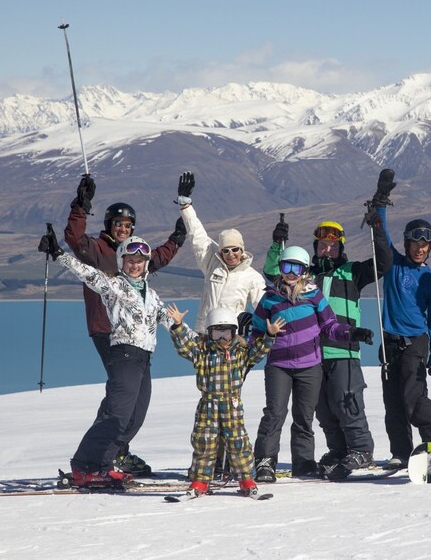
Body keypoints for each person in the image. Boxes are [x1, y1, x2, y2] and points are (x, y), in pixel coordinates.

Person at [262, 171, 395, 479]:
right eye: (321, 244)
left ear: (340, 247)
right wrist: (276, 243)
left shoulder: (353, 272)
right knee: (324, 410)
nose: (326, 249)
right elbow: (272, 274)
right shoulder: (304, 279)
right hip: (313, 355)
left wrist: (377, 224)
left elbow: (384, 261)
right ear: (315, 246)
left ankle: (361, 449)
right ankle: (338, 450)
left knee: (346, 401)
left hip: (344, 350)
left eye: (332, 245)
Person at [63, 174, 184, 476]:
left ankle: (114, 452)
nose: (123, 229)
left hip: (137, 340)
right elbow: (75, 241)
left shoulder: (132, 254)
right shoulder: (97, 250)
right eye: (118, 224)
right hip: (107, 330)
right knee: (121, 399)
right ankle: (99, 458)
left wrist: (177, 239)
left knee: (130, 401)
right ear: (108, 225)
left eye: (128, 226)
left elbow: (154, 259)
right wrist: (81, 205)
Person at [38, 228, 176, 487]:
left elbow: (168, 321)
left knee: (135, 416)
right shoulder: (114, 286)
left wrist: (191, 333)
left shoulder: (151, 295)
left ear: (146, 264)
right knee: (117, 414)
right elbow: (89, 274)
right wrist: (59, 254)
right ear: (123, 261)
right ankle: (85, 466)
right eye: (130, 260)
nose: (135, 265)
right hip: (124, 354)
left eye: (140, 261)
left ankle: (104, 463)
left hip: (144, 358)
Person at [249, 245, 374, 482]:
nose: (291, 272)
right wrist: (249, 349)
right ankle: (265, 461)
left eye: (297, 267)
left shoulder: (314, 294)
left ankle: (304, 463)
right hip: (279, 366)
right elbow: (256, 331)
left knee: (304, 417)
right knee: (275, 413)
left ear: (305, 270)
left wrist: (353, 333)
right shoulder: (270, 297)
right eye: (287, 266)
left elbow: (330, 326)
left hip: (309, 366)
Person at [166, 305, 286, 499]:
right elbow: (184, 347)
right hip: (209, 404)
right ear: (209, 333)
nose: (222, 339)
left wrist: (269, 336)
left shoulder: (241, 352)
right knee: (204, 441)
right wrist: (178, 326)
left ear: (234, 332)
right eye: (217, 333)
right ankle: (200, 481)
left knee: (237, 441)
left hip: (232, 404)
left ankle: (246, 480)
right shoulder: (202, 351)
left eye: (227, 333)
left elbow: (259, 352)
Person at [373, 204, 431, 469]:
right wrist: (379, 206)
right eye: (416, 243)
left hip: (415, 343)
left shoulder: (429, 278)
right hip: (389, 342)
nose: (420, 249)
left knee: (414, 398)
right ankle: (401, 453)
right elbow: (382, 237)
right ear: (407, 244)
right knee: (393, 401)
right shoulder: (394, 265)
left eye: (425, 245)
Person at [176, 171, 266, 332]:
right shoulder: (212, 263)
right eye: (225, 250)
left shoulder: (253, 277)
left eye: (235, 249)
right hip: (205, 333)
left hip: (232, 336)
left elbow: (263, 306)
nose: (231, 254)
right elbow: (197, 235)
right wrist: (185, 205)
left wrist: (262, 323)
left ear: (242, 250)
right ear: (220, 251)